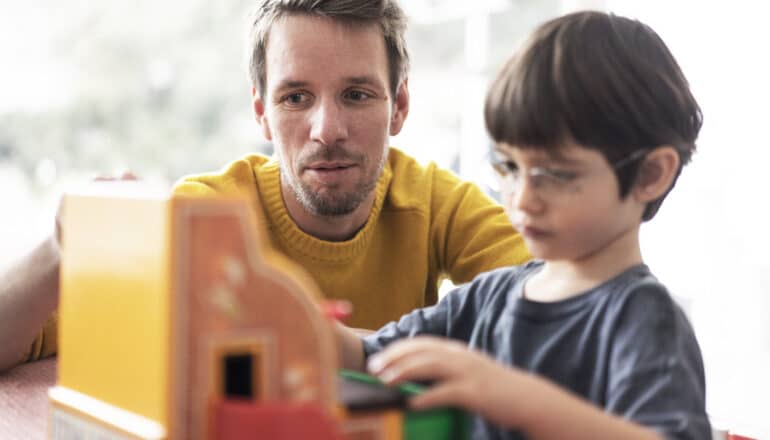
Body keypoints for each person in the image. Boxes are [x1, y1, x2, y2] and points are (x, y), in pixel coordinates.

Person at [0, 0, 530, 372]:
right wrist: (60, 244)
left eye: (357, 94)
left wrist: (341, 345)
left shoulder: (436, 201)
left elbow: (574, 306)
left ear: (401, 106)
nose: (327, 130)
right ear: (261, 112)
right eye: (296, 97)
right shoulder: (203, 216)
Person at [336, 10, 710, 439]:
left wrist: (514, 397)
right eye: (510, 167)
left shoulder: (643, 319)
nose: (523, 198)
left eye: (556, 174)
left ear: (649, 175)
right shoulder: (490, 297)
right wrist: (288, 314)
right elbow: (368, 355)